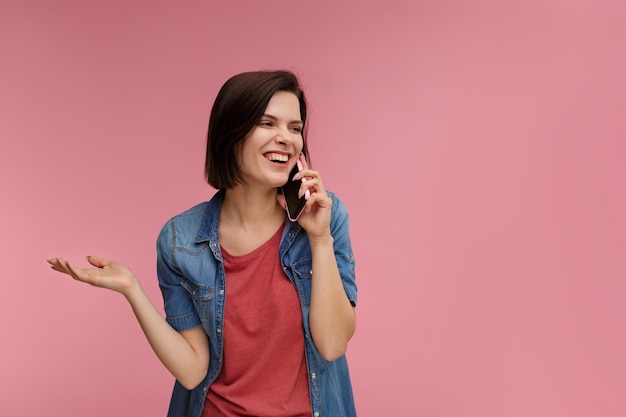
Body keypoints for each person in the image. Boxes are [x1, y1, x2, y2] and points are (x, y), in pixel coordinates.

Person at [48, 70, 358, 417]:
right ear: (231, 133)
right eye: (267, 124)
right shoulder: (180, 240)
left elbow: (332, 346)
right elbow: (193, 369)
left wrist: (319, 238)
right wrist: (132, 289)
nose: (286, 138)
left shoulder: (326, 216)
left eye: (295, 128)